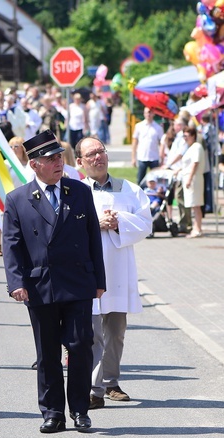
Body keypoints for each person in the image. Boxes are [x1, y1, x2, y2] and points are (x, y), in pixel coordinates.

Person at [2, 130, 106, 433]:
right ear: (34, 164)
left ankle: (79, 409)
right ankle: (52, 412)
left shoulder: (80, 191)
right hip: (40, 284)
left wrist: (99, 280)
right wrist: (15, 282)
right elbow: (12, 245)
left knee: (80, 345)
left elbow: (92, 240)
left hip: (77, 282)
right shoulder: (18, 199)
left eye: (59, 156)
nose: (58, 162)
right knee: (47, 352)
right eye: (50, 159)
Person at [75, 137, 152, 410]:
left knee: (116, 331)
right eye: (91, 154)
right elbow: (66, 228)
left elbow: (145, 223)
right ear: (80, 162)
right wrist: (97, 224)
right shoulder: (76, 190)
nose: (98, 157)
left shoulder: (128, 189)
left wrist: (119, 221)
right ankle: (94, 389)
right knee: (93, 333)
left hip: (118, 270)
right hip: (88, 272)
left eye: (101, 151)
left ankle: (112, 381)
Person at [176, 126, 205, 238]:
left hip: (194, 179)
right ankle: (196, 227)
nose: (185, 138)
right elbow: (186, 164)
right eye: (183, 135)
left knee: (196, 205)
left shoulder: (196, 147)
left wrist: (189, 179)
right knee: (194, 205)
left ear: (193, 136)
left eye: (186, 136)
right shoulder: (190, 147)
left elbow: (195, 163)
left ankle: (197, 229)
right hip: (189, 177)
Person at [131, 107, 164, 186]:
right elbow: (135, 142)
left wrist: (162, 158)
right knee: (140, 180)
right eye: (147, 112)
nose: (148, 114)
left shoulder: (158, 128)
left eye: (150, 112)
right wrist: (133, 158)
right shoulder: (139, 126)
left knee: (155, 180)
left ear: (153, 114)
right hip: (142, 156)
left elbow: (162, 143)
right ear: (144, 114)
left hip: (154, 157)